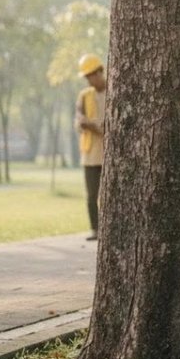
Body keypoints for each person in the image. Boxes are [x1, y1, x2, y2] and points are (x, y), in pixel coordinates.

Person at [76, 53, 108, 241]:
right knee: (91, 195)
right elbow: (80, 119)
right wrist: (98, 127)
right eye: (87, 76)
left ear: (100, 71)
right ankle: (95, 229)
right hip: (90, 154)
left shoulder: (113, 90)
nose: (89, 79)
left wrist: (92, 125)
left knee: (108, 196)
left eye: (92, 75)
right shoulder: (84, 96)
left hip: (108, 154)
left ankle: (107, 229)